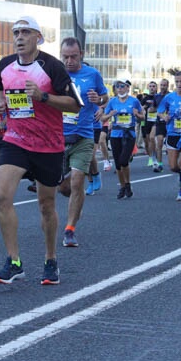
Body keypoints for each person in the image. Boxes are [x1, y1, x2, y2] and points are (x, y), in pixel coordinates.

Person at [0, 16, 80, 285]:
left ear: (38, 38)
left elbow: (75, 105)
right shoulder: (5, 64)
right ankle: (14, 261)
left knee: (46, 204)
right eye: (16, 32)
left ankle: (51, 258)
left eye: (26, 32)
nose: (19, 37)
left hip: (48, 144)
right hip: (16, 139)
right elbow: (0, 91)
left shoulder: (51, 66)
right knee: (2, 195)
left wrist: (43, 96)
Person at [57, 37, 105, 247]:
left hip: (84, 136)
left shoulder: (92, 74)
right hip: (58, 137)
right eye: (65, 57)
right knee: (64, 189)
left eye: (73, 57)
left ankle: (69, 230)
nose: (69, 61)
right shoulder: (56, 74)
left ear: (81, 54)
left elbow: (105, 96)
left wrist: (99, 101)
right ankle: (75, 207)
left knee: (77, 182)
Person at [157, 71, 181, 201]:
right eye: (177, 82)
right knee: (173, 166)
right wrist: (164, 117)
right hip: (172, 133)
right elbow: (160, 111)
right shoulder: (169, 97)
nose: (179, 84)